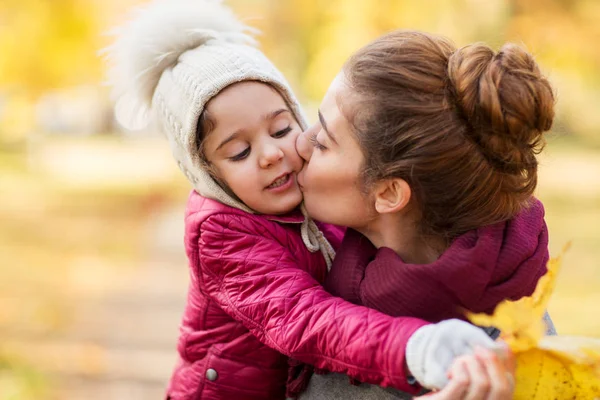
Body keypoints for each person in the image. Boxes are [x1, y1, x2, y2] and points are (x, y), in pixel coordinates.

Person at [105, 1, 514, 399]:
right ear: (208, 173)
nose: (271, 154)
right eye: (240, 153)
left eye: (281, 129)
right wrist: (415, 347)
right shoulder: (222, 234)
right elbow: (306, 319)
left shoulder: (315, 195)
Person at [295, 30, 556, 399]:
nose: (299, 143)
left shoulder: (514, 354)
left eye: (322, 142)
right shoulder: (305, 258)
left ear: (388, 193)